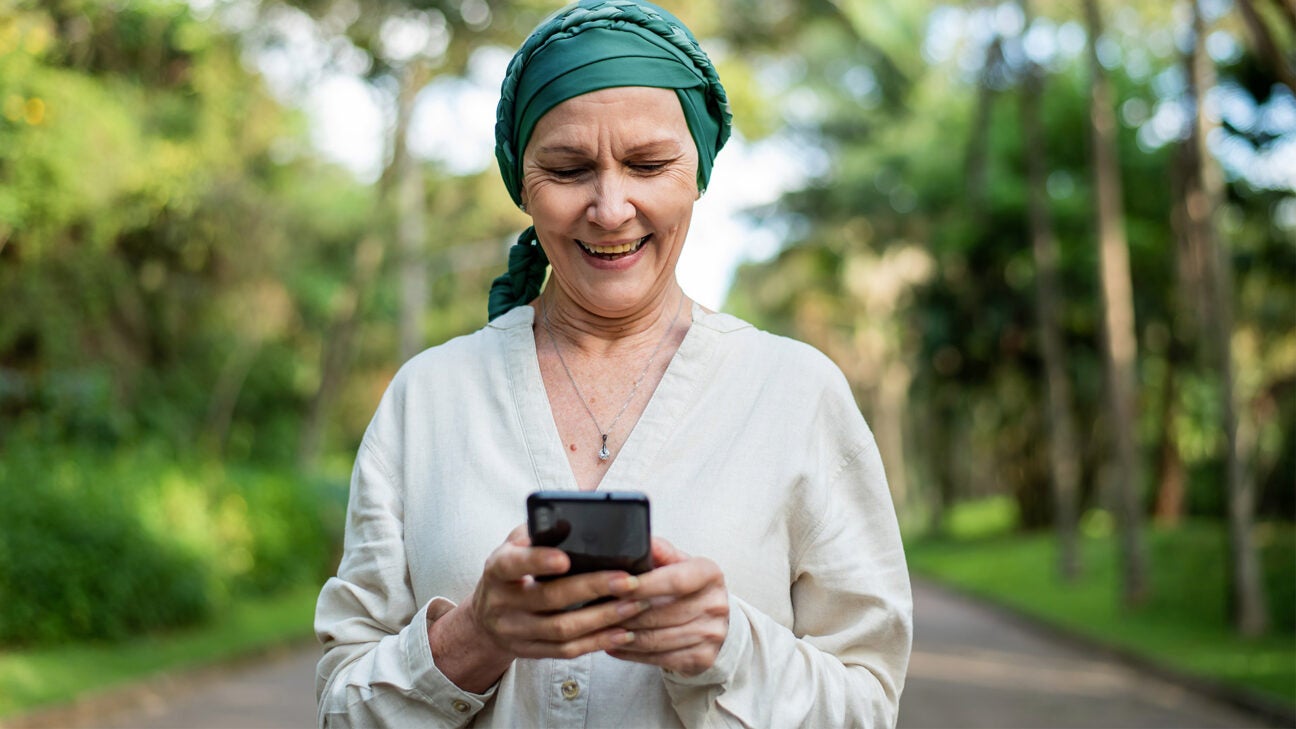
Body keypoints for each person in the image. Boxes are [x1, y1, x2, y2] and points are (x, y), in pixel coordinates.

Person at [314, 1, 912, 726]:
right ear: (522, 183)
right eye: (567, 169)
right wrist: (472, 637)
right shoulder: (427, 399)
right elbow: (342, 707)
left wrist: (728, 648)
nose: (609, 207)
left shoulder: (796, 394)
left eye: (649, 164)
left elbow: (866, 706)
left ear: (698, 171)